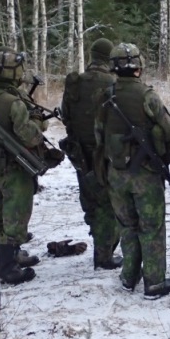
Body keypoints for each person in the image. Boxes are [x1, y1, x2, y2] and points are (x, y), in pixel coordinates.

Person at [94, 43, 170, 299]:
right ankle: (154, 282)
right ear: (139, 68)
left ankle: (129, 276)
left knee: (127, 225)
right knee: (151, 226)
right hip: (145, 174)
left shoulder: (105, 96)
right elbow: (169, 129)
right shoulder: (147, 96)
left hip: (116, 173)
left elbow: (99, 134)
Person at [0, 51, 44, 284]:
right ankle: (9, 270)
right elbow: (31, 137)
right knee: (14, 217)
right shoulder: (12, 102)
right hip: (13, 167)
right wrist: (37, 120)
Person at [60, 38, 123, 270]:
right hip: (103, 153)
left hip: (79, 152)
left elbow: (65, 114)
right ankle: (104, 254)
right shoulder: (112, 83)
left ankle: (99, 242)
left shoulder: (75, 82)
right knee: (107, 203)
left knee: (90, 201)